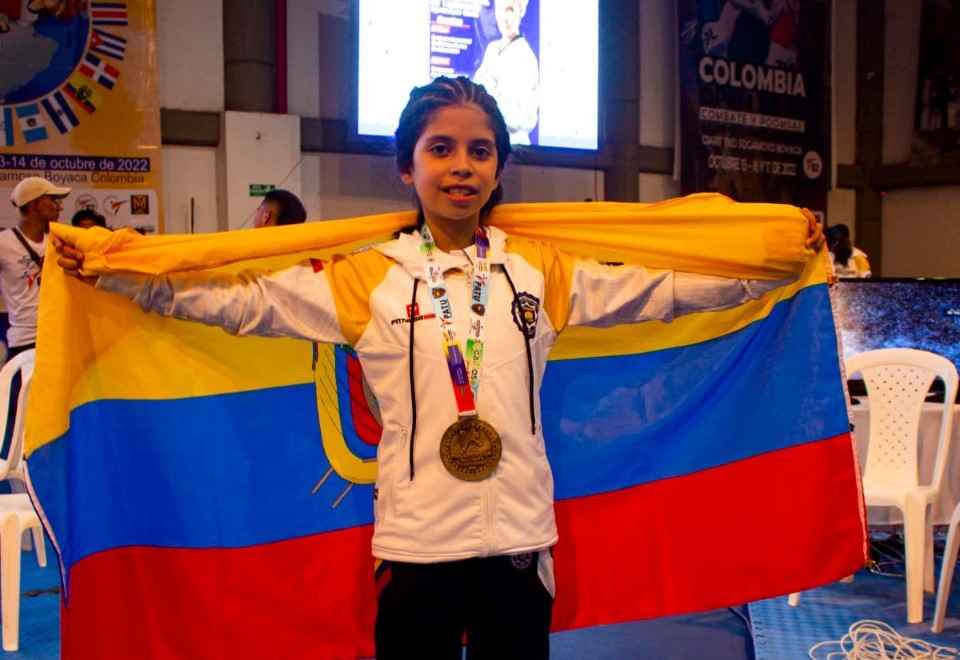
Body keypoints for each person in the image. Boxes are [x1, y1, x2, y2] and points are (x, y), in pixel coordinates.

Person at [54, 76, 822, 658]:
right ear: (407, 168)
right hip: (416, 548)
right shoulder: (367, 278)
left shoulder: (539, 271)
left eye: (480, 151)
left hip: (520, 542)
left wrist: (773, 263)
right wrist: (116, 273)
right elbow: (243, 302)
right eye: (441, 149)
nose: (462, 166)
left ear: (499, 169)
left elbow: (663, 291)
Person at [2, 176, 70, 356]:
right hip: (24, 341)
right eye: (54, 200)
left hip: (59, 336)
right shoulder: (4, 243)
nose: (59, 206)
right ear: (37, 204)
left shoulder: (58, 242)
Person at [473, 0, 539, 144]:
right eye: (500, 10)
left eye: (510, 10)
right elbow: (474, 91)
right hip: (487, 140)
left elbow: (514, 115)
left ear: (520, 11)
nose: (505, 17)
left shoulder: (524, 55)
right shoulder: (492, 49)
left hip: (514, 146)